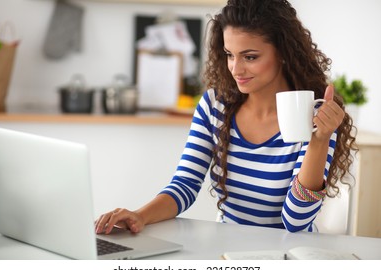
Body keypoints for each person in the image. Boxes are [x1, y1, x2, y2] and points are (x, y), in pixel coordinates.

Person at [95, 0, 357, 234]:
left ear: (284, 54)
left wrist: (319, 141)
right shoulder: (214, 106)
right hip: (227, 250)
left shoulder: (316, 117)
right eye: (229, 55)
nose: (236, 68)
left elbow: (296, 222)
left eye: (250, 57)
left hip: (288, 254)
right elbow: (185, 184)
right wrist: (139, 216)